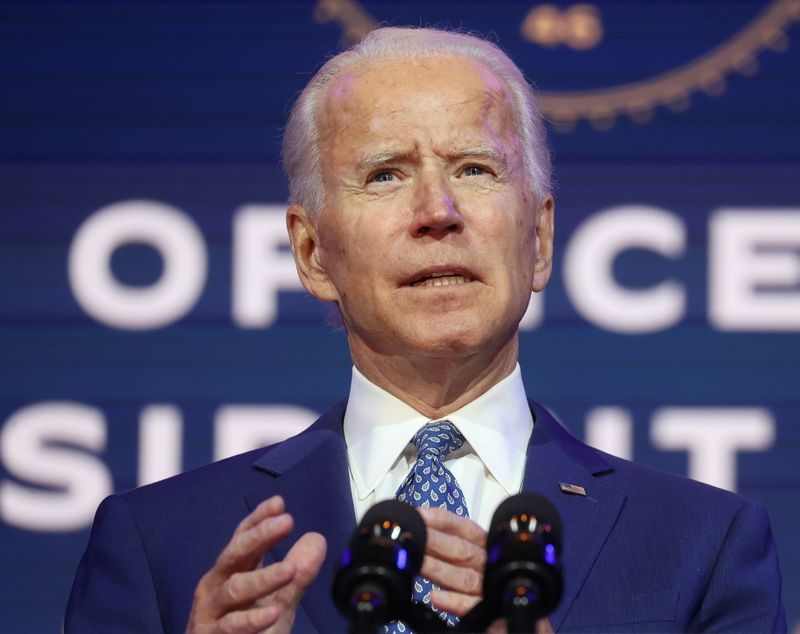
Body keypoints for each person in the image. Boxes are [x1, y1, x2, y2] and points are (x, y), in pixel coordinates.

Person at [66, 26, 786, 633]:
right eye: (385, 175)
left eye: (474, 169)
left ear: (538, 240)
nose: (437, 210)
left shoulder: (703, 546)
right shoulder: (161, 544)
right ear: (313, 253)